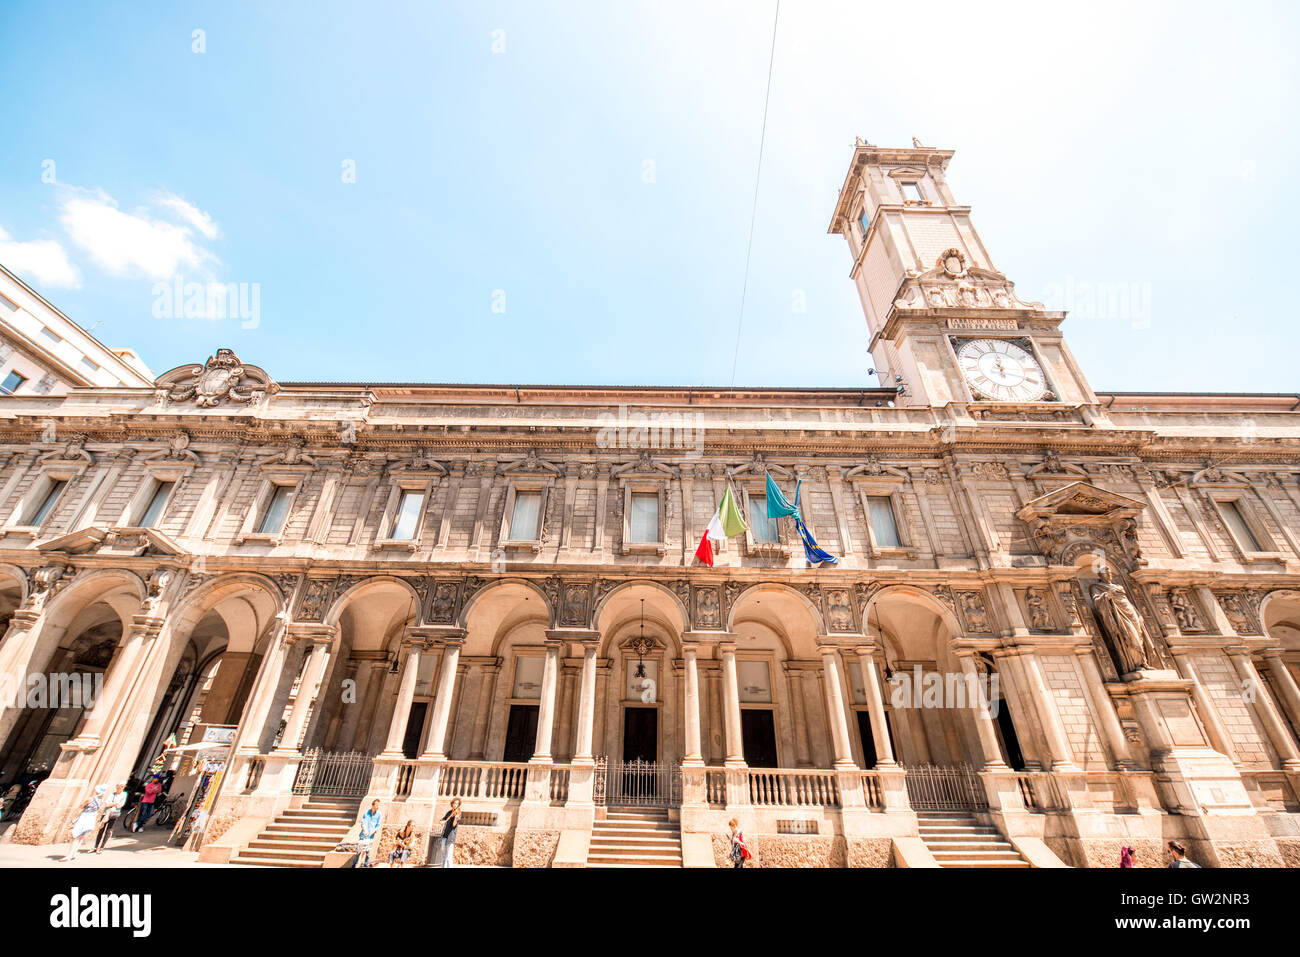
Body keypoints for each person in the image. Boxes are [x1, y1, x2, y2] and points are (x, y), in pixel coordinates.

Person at [62, 788, 103, 861]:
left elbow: (81, 806)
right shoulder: (101, 801)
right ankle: (74, 853)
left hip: (84, 818)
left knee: (75, 836)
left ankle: (69, 855)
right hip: (91, 820)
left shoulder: (90, 799)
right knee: (80, 837)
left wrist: (75, 817)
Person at [94, 783, 127, 853]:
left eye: (121, 787)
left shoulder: (124, 795)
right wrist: (114, 804)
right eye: (118, 786)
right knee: (101, 829)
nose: (119, 788)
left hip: (114, 814)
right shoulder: (112, 794)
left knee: (108, 830)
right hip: (106, 813)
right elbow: (107, 803)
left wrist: (112, 804)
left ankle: (102, 847)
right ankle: (96, 846)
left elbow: (120, 805)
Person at [355, 800, 382, 868]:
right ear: (373, 805)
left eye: (378, 805)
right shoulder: (367, 812)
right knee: (359, 851)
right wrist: (364, 830)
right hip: (363, 834)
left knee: (368, 853)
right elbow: (363, 822)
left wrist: (373, 832)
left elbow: (378, 825)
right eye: (377, 805)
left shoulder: (379, 814)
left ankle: (366, 866)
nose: (378, 806)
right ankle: (354, 865)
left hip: (371, 835)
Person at [439, 797, 462, 868]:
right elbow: (442, 820)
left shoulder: (458, 813)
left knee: (449, 856)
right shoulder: (449, 812)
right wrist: (442, 822)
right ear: (452, 804)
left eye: (457, 804)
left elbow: (454, 825)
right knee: (444, 855)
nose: (456, 805)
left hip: (451, 836)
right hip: (445, 835)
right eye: (454, 803)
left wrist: (456, 818)